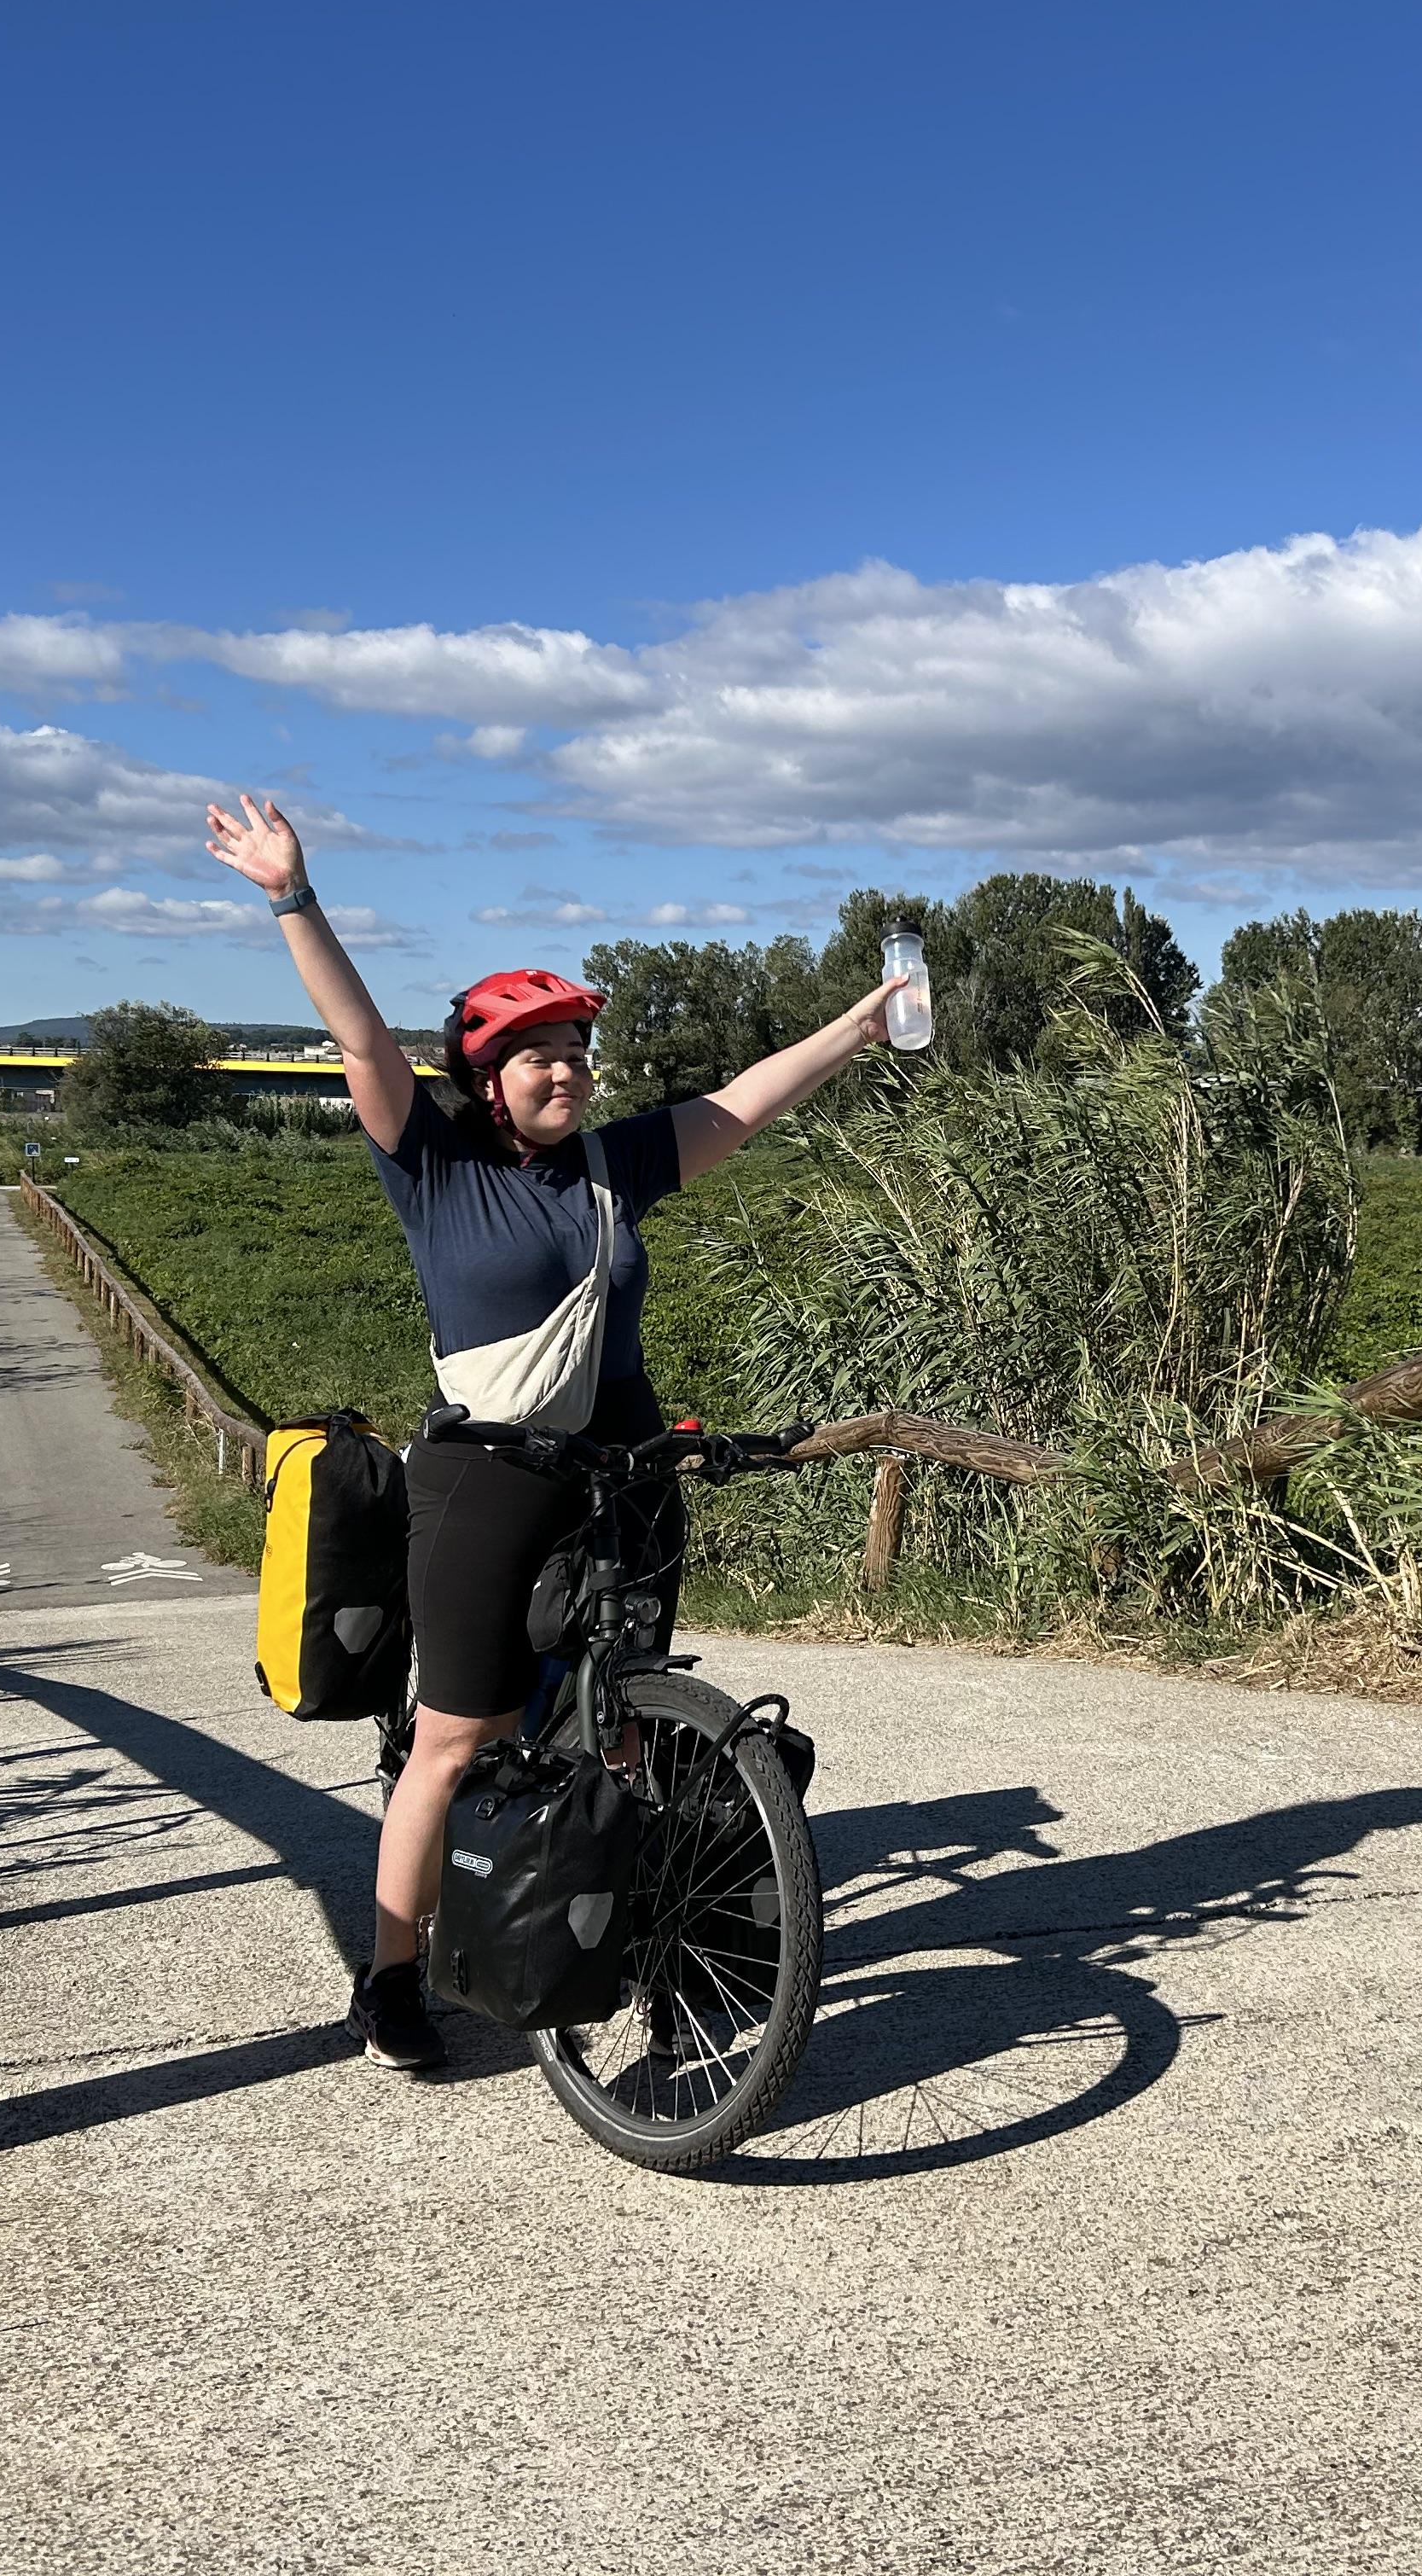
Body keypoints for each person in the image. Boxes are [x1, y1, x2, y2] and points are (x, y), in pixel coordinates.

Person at [205, 794, 899, 2071]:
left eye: (577, 1049)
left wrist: (858, 1026)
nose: (566, 1070)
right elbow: (358, 1039)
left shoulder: (611, 1168)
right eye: (539, 1054)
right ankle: (396, 1980)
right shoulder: (435, 1165)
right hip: (484, 1475)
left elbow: (745, 1104)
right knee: (460, 1732)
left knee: (630, 1724)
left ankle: (624, 1936)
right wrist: (291, 895)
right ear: (487, 1075)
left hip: (620, 1471)